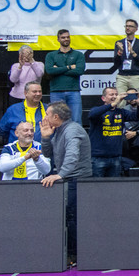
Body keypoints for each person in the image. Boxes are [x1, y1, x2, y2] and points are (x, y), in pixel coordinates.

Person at [39, 101, 92, 262]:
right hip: (68, 178)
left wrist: (59, 174)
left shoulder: (72, 130)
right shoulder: (59, 130)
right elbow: (48, 154)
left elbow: (72, 156)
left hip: (77, 180)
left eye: (47, 114)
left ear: (56, 116)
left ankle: (75, 254)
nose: (45, 117)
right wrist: (46, 138)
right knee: (68, 217)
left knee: (72, 217)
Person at [87, 86, 132, 178]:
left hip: (116, 157)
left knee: (114, 188)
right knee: (97, 188)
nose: (115, 97)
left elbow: (138, 117)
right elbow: (92, 115)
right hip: (98, 158)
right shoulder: (96, 110)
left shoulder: (121, 112)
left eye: (116, 94)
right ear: (103, 98)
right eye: (111, 94)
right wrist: (113, 104)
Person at [44, 28, 86, 125]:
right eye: (63, 37)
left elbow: (79, 71)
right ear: (58, 39)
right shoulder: (51, 55)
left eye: (67, 37)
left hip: (74, 91)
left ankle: (75, 140)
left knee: (76, 120)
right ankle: (59, 140)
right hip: (56, 92)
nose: (66, 39)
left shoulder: (78, 55)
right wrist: (69, 67)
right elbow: (49, 70)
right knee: (56, 121)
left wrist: (58, 69)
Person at [112, 18, 139, 93]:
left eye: (131, 26)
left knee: (137, 99)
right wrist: (120, 52)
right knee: (120, 100)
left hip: (135, 76)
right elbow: (115, 63)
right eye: (126, 26)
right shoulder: (119, 43)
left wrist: (133, 53)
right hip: (122, 76)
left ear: (136, 29)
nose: (128, 28)